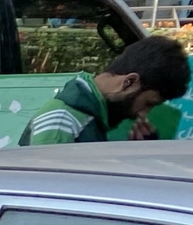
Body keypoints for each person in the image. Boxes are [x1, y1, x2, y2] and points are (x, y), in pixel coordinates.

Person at [21, 36, 191, 145]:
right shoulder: (62, 122)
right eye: (148, 104)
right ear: (129, 82)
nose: (142, 115)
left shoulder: (90, 116)